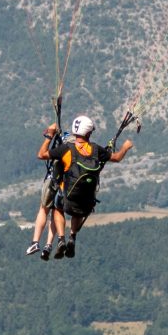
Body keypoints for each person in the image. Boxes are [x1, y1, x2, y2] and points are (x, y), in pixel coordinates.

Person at [31, 110, 136, 260]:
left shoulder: (66, 149)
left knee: (57, 208)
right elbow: (117, 158)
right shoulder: (96, 149)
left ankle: (61, 239)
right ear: (89, 133)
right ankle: (72, 237)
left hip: (68, 197)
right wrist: (125, 147)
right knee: (78, 211)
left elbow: (41, 155)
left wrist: (49, 136)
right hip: (86, 200)